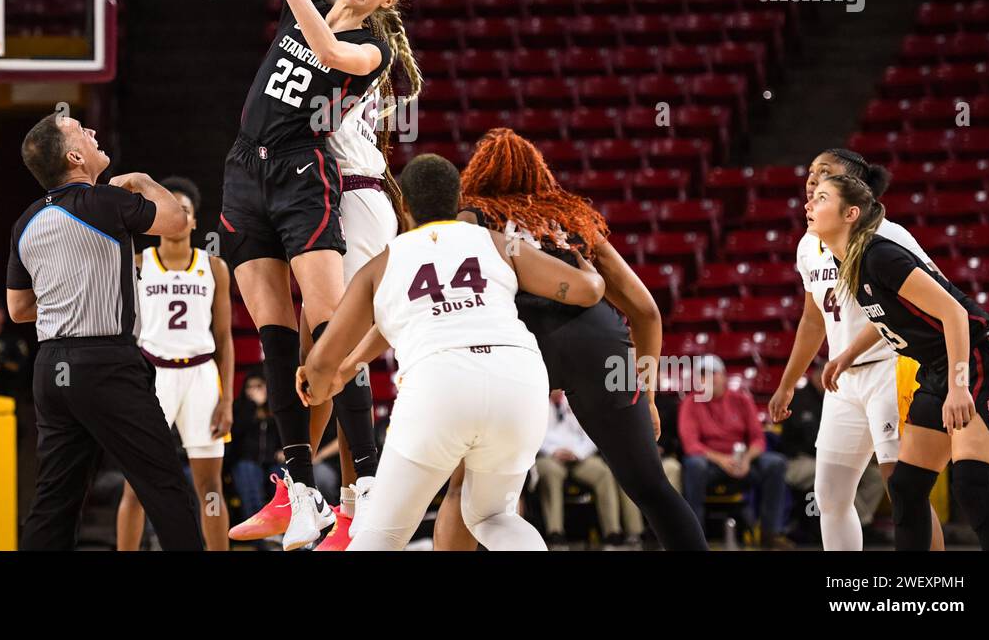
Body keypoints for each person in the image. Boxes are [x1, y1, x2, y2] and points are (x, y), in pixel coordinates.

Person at [218, 0, 401, 550]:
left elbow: (324, 45)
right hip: (243, 164)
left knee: (330, 329)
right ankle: (299, 491)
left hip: (303, 166)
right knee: (273, 336)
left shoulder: (374, 44)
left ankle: (366, 491)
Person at [405, 129, 706, 551]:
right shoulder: (572, 218)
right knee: (651, 485)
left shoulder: (471, 219)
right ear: (539, 173)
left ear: (478, 174)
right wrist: (648, 393)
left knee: (466, 489)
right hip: (599, 344)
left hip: (520, 350)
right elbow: (646, 311)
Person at [299, 154, 607, 550]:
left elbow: (324, 364)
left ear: (402, 206)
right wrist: (592, 273)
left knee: (382, 534)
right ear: (460, 199)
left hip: (438, 384)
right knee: (494, 516)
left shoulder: (382, 264)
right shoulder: (497, 243)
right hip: (518, 381)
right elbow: (587, 291)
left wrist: (315, 378)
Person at [7, 112, 203, 551]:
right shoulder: (105, 202)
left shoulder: (25, 221)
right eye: (82, 130)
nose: (94, 131)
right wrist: (148, 181)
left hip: (50, 369)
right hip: (105, 365)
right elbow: (175, 222)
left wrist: (67, 295)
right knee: (164, 485)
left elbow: (19, 309)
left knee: (54, 501)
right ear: (76, 156)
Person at [814, 175, 989, 551]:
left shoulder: (881, 255)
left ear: (850, 214)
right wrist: (846, 355)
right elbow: (887, 316)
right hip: (939, 368)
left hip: (978, 359)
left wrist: (958, 386)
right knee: (906, 487)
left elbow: (954, 314)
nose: (809, 203)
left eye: (822, 197)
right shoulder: (852, 262)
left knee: (970, 484)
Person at [770, 148, 943, 550]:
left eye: (825, 173)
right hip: (842, 381)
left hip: (893, 367)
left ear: (854, 189)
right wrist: (787, 383)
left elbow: (940, 299)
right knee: (830, 495)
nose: (812, 179)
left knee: (904, 490)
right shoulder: (808, 245)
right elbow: (814, 320)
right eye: (810, 172)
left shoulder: (889, 235)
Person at [117, 176, 234, 552]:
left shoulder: (214, 267)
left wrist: (228, 398)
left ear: (195, 221)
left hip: (201, 375)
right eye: (172, 208)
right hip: (154, 375)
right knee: (136, 485)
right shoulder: (137, 263)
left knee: (210, 488)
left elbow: (225, 338)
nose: (179, 215)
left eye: (186, 210)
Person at [680, 355, 793, 549]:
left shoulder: (741, 399)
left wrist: (747, 459)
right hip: (711, 465)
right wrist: (722, 460)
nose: (709, 379)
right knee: (694, 464)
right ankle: (694, 536)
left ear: (724, 376)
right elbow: (691, 445)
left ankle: (770, 533)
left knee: (775, 463)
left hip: (742, 462)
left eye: (713, 373)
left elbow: (758, 438)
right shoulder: (690, 403)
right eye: (703, 375)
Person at [779, 368, 886, 543]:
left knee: (875, 476)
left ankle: (856, 523)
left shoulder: (839, 396)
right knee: (831, 474)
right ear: (817, 374)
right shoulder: (798, 399)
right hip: (799, 460)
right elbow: (807, 440)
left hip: (834, 456)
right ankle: (864, 524)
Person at [535, 390, 645, 548]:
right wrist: (554, 451)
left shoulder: (576, 401)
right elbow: (534, 436)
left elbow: (592, 433)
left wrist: (578, 453)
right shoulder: (538, 404)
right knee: (551, 473)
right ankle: (555, 531)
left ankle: (612, 531)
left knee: (604, 473)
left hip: (578, 456)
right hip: (549, 456)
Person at [227, 374, 284, 529]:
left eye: (259, 386)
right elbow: (236, 434)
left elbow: (284, 435)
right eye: (250, 387)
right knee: (249, 476)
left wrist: (282, 450)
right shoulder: (238, 409)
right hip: (246, 460)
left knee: (281, 478)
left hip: (272, 461)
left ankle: (281, 529)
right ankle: (259, 532)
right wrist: (252, 407)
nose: (254, 391)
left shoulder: (276, 408)